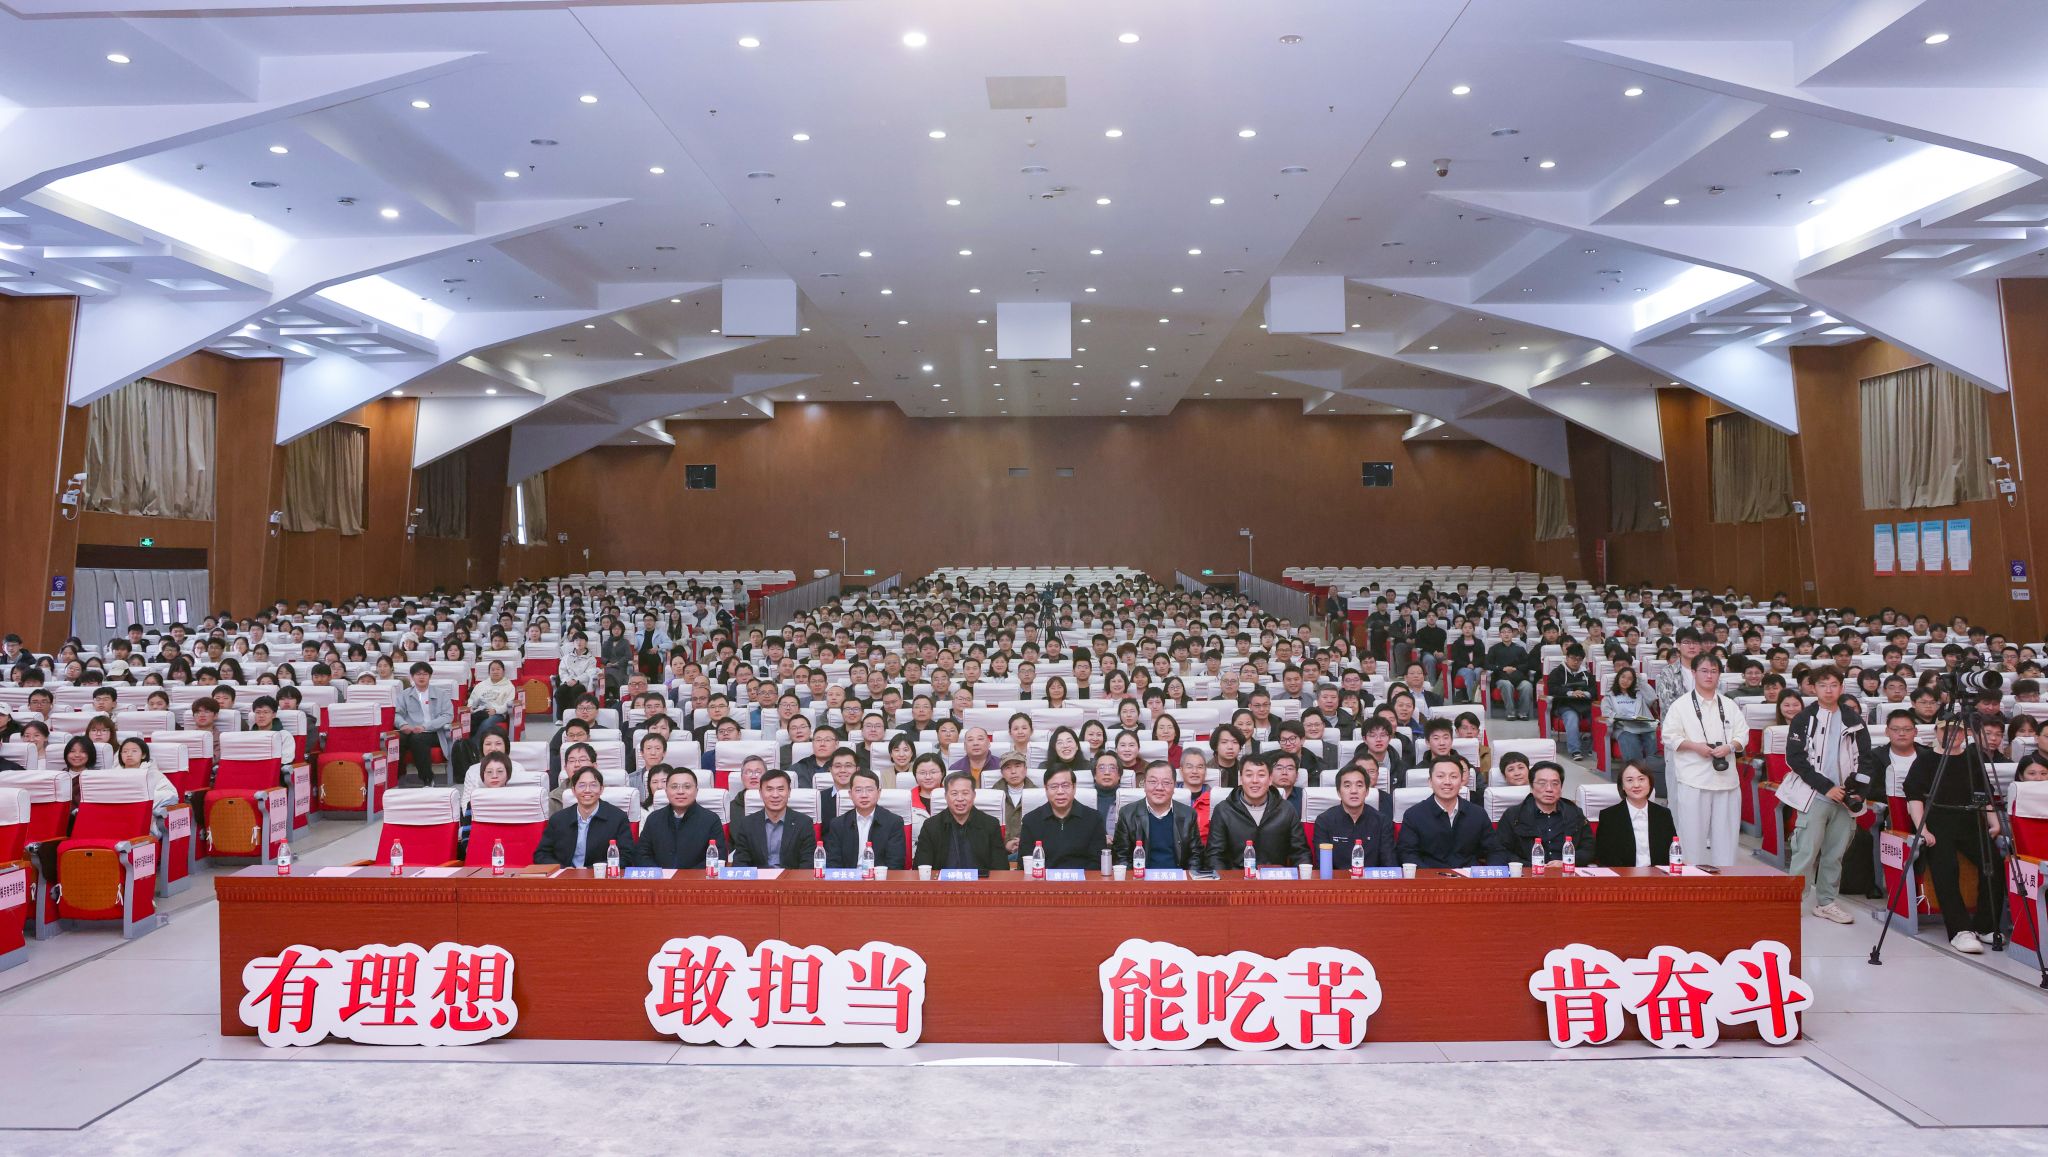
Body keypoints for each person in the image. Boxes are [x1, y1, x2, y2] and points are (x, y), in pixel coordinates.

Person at [1782, 666, 1877, 924]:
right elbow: (1796, 759)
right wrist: (1826, 787)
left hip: (1846, 797)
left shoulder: (1854, 720)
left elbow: (1866, 759)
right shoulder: (1804, 718)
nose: (1828, 690)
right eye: (1823, 685)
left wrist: (1859, 793)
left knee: (1835, 854)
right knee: (1805, 851)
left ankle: (1826, 902)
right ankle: (1792, 901)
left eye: (1834, 685)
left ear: (1842, 687)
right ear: (1813, 688)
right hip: (1814, 795)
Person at [1905, 720, 2005, 954]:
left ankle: (1986, 925)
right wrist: (1923, 829)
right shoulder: (1925, 760)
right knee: (1946, 867)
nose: (1953, 735)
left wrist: (1994, 821)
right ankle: (1960, 929)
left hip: (1970, 820)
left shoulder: (1973, 759)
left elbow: (1984, 792)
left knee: (1993, 863)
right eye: (1947, 730)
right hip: (1938, 821)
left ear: (1966, 733)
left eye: (1958, 731)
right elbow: (1914, 796)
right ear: (1937, 732)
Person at [1661, 654, 1747, 867]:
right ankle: (1693, 880)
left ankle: (1724, 881)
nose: (1709, 676)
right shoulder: (1681, 705)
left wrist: (1730, 747)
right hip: (1694, 779)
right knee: (1691, 837)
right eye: (1704, 671)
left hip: (1726, 781)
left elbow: (1743, 735)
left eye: (1714, 671)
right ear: (1694, 673)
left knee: (1727, 839)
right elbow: (1669, 736)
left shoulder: (1729, 705)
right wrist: (1695, 746)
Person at [1396, 758, 1505, 868]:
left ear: (1461, 782)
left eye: (1453, 777)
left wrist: (1490, 873)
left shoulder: (1477, 814)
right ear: (1430, 782)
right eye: (1440, 776)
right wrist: (1430, 875)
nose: (1447, 782)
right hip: (1430, 875)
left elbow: (1495, 850)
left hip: (1469, 875)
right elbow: (1407, 853)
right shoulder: (1414, 815)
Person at [1208, 756, 1310, 870]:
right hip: (1237, 878)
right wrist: (1225, 880)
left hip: (1274, 877)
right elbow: (1215, 856)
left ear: (1270, 779)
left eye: (1261, 775)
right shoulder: (1223, 810)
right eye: (1249, 775)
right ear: (1241, 779)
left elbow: (1300, 852)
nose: (1255, 780)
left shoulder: (1286, 809)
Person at [1111, 761, 1210, 873]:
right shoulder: (1127, 814)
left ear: (1174, 786)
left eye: (1166, 782)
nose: (1159, 787)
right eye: (1153, 782)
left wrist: (1187, 880)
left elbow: (1195, 855)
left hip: (1178, 879)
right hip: (1140, 879)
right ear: (1144, 785)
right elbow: (1121, 857)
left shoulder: (1188, 814)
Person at [533, 765, 634, 869]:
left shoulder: (617, 818)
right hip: (565, 876)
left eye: (593, 785)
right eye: (582, 785)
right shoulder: (558, 819)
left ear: (601, 789)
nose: (587, 790)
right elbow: (541, 855)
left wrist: (591, 870)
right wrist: (563, 869)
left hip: (600, 876)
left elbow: (626, 857)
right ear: (573, 790)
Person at [1495, 761, 1593, 867]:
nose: (1549, 789)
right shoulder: (1513, 815)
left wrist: (1567, 862)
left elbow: (1589, 849)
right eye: (1542, 783)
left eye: (1555, 784)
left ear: (1561, 787)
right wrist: (1532, 866)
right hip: (1528, 873)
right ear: (1531, 787)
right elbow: (1501, 851)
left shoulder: (1574, 813)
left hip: (1566, 872)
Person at [635, 766, 729, 869]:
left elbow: (719, 856)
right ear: (666, 791)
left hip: (697, 878)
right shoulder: (654, 819)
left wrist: (686, 876)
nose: (680, 791)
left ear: (696, 791)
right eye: (674, 787)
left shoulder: (711, 820)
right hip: (660, 877)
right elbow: (641, 854)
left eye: (687, 787)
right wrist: (659, 873)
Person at [913, 771, 1007, 873]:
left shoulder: (990, 824)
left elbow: (1001, 869)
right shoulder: (931, 826)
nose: (960, 798)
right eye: (954, 793)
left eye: (965, 793)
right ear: (946, 796)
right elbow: (921, 868)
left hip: (980, 882)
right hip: (942, 882)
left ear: (974, 795)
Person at [1017, 765, 1103, 870]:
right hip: (1043, 879)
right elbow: (1025, 862)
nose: (1060, 791)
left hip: (1083, 879)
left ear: (1074, 787)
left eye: (1065, 786)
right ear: (1046, 789)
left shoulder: (1094, 819)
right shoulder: (1031, 820)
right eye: (1054, 787)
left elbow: (1098, 862)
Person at [729, 769, 818, 868]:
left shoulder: (804, 823)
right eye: (769, 789)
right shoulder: (747, 824)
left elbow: (808, 864)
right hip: (758, 877)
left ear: (789, 792)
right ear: (760, 793)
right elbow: (740, 862)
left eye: (780, 789)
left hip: (791, 877)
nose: (775, 795)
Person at [1595, 761, 1677, 868]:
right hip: (1624, 876)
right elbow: (1604, 857)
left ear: (1650, 783)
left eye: (1641, 779)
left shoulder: (1663, 814)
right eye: (1629, 780)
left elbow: (1672, 852)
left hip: (1658, 875)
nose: (1636, 785)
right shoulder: (1609, 816)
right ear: (1622, 786)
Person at [1313, 764, 1396, 868]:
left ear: (1367, 791)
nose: (1354, 791)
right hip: (1336, 878)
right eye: (1347, 786)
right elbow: (1323, 865)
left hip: (1371, 878)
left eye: (1359, 785)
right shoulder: (1324, 821)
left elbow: (1389, 863)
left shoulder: (1382, 821)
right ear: (1338, 792)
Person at [824, 768, 908, 869]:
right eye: (858, 790)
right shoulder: (838, 824)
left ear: (879, 793)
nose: (864, 795)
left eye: (869, 790)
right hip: (848, 877)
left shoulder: (893, 822)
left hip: (880, 877)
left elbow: (895, 864)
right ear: (850, 794)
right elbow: (833, 862)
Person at [1602, 666, 1662, 795]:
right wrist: (1618, 716)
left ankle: (1652, 778)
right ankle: (1635, 778)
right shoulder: (1609, 696)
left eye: (1630, 679)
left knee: (1652, 740)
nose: (1625, 681)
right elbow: (1606, 712)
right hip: (1624, 727)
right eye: (1623, 677)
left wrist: (1641, 681)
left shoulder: (1639, 694)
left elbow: (1652, 698)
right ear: (1618, 678)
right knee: (1630, 740)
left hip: (1644, 726)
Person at [395, 661, 455, 786]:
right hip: (410, 731)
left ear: (430, 676)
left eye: (425, 674)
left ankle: (427, 779)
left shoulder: (441, 694)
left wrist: (425, 726)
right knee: (397, 739)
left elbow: (448, 716)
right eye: (418, 674)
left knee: (418, 739)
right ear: (412, 677)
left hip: (435, 732)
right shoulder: (405, 695)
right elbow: (397, 714)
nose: (421, 677)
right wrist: (402, 725)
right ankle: (397, 777)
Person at [1544, 644, 1596, 760]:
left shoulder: (1586, 674)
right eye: (1573, 658)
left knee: (1596, 717)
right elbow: (1552, 689)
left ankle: (1593, 747)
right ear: (1567, 658)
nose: (1575, 662)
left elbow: (1594, 690)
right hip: (1565, 704)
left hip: (1584, 705)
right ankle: (1575, 750)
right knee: (1572, 718)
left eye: (1579, 659)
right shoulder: (1557, 672)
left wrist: (1586, 693)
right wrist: (1570, 692)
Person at [1487, 623, 1534, 721]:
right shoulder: (1494, 649)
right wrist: (1502, 668)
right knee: (1506, 684)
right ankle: (1510, 713)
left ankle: (1523, 713)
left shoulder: (1520, 649)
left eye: (1509, 632)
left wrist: (1515, 668)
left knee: (1527, 686)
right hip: (1501, 677)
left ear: (1512, 634)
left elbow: (1527, 664)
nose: (1506, 634)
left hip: (1518, 677)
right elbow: (1487, 665)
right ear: (1500, 635)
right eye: (1503, 632)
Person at [466, 659, 518, 739]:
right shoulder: (481, 685)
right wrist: (470, 707)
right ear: (489, 672)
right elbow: (472, 699)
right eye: (492, 670)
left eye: (498, 669)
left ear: (503, 671)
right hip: (479, 711)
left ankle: (475, 745)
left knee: (486, 724)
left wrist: (495, 710)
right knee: (467, 722)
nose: (495, 672)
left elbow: (508, 704)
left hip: (497, 713)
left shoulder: (509, 687)